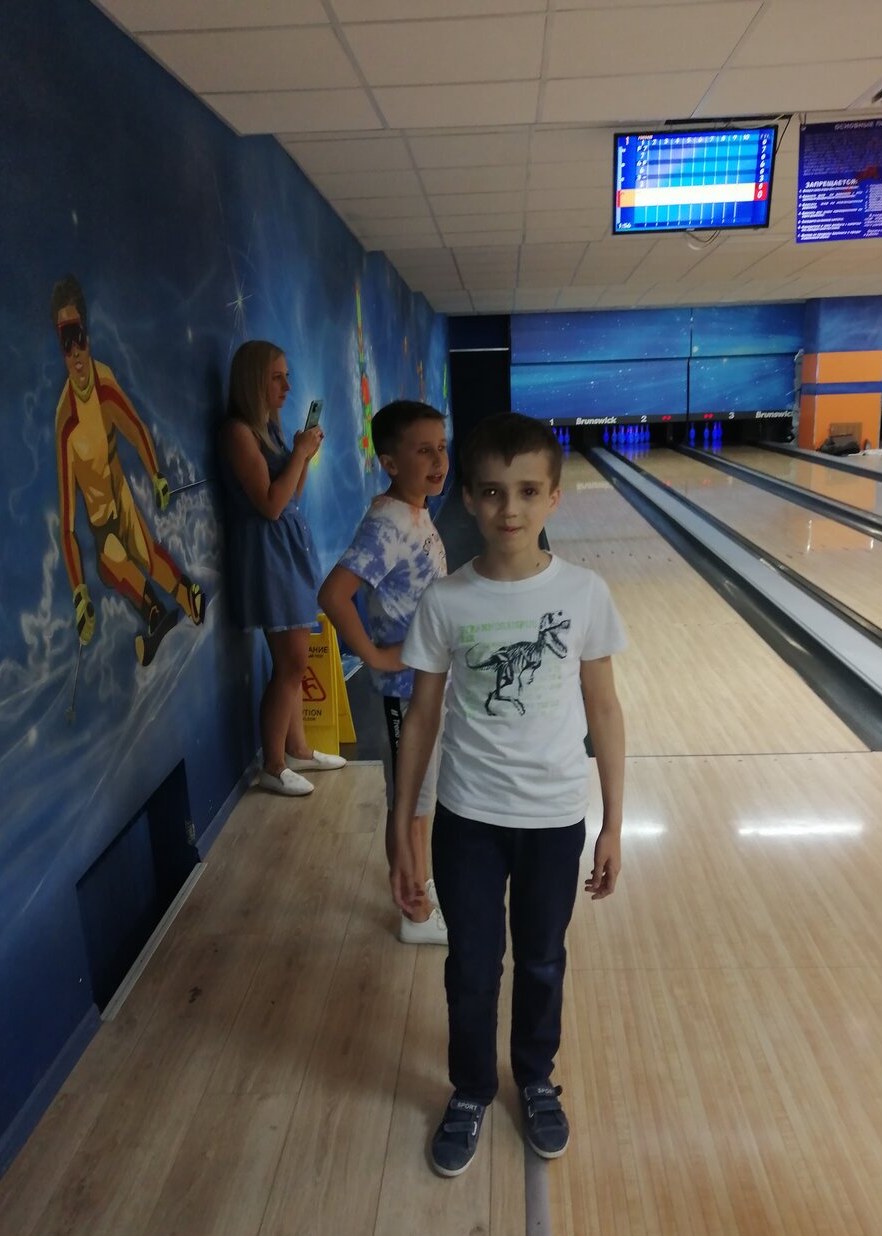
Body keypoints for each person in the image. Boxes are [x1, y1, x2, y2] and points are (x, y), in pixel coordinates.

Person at [389, 412, 626, 1176]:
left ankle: (535, 1079)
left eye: (527, 491)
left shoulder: (584, 594)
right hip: (468, 819)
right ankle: (470, 1089)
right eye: (492, 492)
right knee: (471, 967)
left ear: (554, 496)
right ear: (468, 497)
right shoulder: (446, 601)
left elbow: (605, 709)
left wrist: (613, 824)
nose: (509, 509)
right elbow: (422, 719)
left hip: (555, 818)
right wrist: (402, 825)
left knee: (543, 960)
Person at [318, 400, 450, 945]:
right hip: (404, 690)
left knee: (422, 801)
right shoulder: (387, 524)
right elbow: (334, 594)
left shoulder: (413, 509)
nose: (438, 460)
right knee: (411, 803)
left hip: (426, 684)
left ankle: (420, 884)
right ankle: (415, 915)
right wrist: (375, 657)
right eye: (424, 451)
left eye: (441, 447)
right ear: (391, 463)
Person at [51, 275, 206, 667]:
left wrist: (156, 475)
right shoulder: (66, 422)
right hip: (101, 522)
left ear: (88, 336)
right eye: (66, 343)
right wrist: (79, 593)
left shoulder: (104, 385)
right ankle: (156, 610)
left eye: (78, 337)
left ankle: (184, 597)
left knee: (145, 551)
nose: (76, 353)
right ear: (61, 349)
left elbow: (135, 429)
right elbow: (68, 525)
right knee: (112, 561)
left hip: (122, 501)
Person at [220, 340, 346, 796]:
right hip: (268, 557)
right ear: (254, 381)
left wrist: (303, 457)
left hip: (286, 551)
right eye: (277, 377)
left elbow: (292, 494)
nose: (287, 387)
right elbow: (271, 506)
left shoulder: (268, 428)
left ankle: (298, 750)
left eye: (287, 376)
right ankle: (273, 765)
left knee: (291, 664)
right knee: (292, 663)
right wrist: (297, 455)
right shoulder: (238, 433)